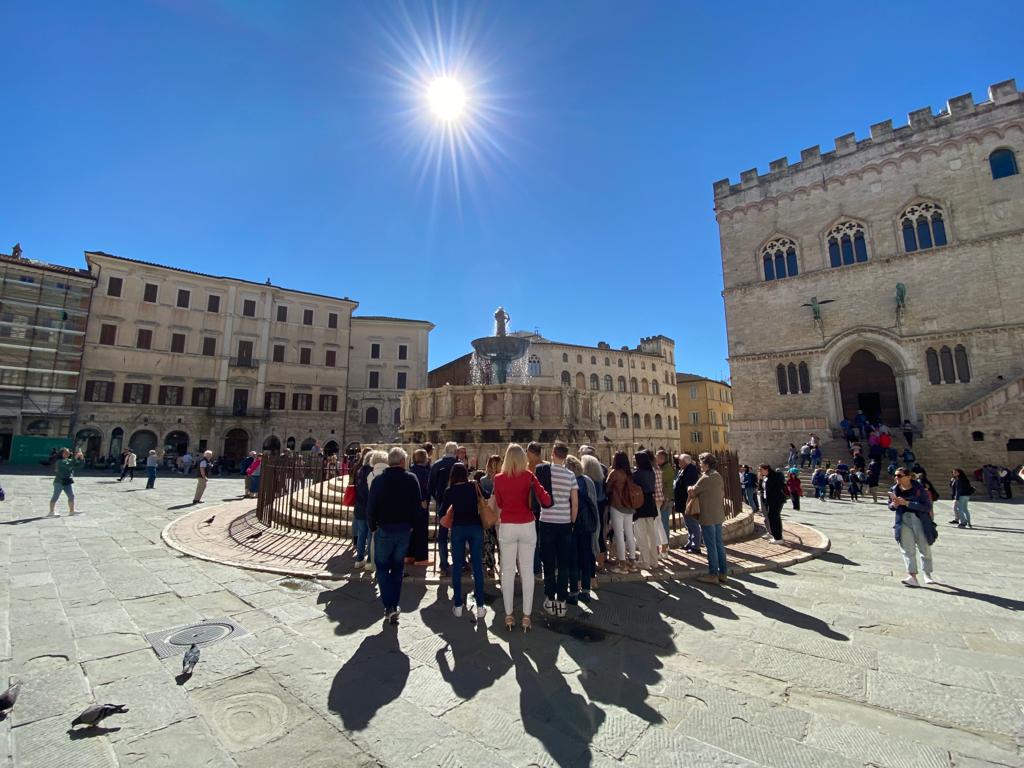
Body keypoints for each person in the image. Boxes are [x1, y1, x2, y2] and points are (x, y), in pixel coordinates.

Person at [493, 443, 551, 631]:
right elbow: (546, 500)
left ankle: (509, 616)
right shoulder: (529, 476)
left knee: (507, 571)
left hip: (508, 526)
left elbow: (500, 502)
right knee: (527, 571)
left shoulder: (499, 479)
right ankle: (527, 616)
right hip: (527, 525)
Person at [367, 447, 420, 624]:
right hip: (404, 531)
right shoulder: (411, 479)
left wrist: (372, 527)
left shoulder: (378, 481)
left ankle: (388, 605)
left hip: (384, 530)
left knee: (382, 567)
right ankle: (394, 604)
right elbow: (417, 506)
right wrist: (412, 526)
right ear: (403, 462)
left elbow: (371, 507)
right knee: (397, 567)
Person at [440, 463, 487, 620]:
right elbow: (486, 495)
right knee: (477, 568)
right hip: (475, 528)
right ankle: (480, 606)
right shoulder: (473, 487)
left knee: (458, 566)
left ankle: (458, 605)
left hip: (458, 529)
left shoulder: (450, 491)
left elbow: (441, 512)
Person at [538, 441, 578, 616]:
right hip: (564, 523)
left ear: (553, 453)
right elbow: (574, 503)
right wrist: (572, 522)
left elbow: (538, 495)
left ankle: (550, 599)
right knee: (563, 563)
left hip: (546, 521)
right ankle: (561, 602)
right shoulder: (570, 475)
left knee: (548, 562)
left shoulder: (544, 471)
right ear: (566, 455)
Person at [889, 468, 937, 587]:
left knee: (924, 547)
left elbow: (927, 507)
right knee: (907, 548)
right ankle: (912, 576)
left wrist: (908, 503)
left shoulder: (920, 489)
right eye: (895, 476)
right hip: (903, 520)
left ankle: (927, 573)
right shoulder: (894, 489)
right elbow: (889, 506)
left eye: (899, 476)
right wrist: (893, 505)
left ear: (908, 477)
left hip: (919, 520)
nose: (896, 478)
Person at [688, 453, 727, 584]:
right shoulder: (718, 476)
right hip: (718, 514)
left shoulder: (706, 478)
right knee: (719, 544)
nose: (699, 465)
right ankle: (723, 573)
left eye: (700, 462)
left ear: (706, 464)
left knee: (711, 546)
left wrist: (689, 487)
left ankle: (713, 574)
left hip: (707, 515)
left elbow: (693, 491)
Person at [565, 455, 598, 604]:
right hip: (587, 525)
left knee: (572, 559)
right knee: (585, 557)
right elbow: (594, 504)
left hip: (572, 524)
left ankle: (573, 592)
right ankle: (586, 591)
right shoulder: (587, 480)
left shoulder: (568, 482)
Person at [427, 442, 459, 577]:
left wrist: (438, 497)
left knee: (442, 534)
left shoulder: (436, 465)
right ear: (455, 452)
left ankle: (443, 564)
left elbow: (430, 485)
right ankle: (459, 563)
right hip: (458, 503)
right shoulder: (459, 465)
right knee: (458, 533)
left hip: (443, 503)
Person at [605, 451, 638, 572]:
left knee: (619, 534)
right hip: (629, 506)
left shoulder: (615, 473)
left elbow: (607, 488)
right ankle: (633, 562)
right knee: (629, 533)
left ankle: (622, 563)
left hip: (617, 505)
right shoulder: (629, 473)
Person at [632, 451, 661, 569]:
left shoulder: (636, 474)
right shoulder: (651, 472)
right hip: (650, 503)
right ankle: (654, 560)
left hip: (640, 504)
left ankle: (645, 561)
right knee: (651, 534)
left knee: (641, 535)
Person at [407, 449, 432, 565]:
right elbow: (427, 488)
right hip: (422, 504)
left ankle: (409, 555)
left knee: (411, 530)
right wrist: (424, 498)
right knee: (421, 531)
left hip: (410, 504)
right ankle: (421, 558)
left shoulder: (411, 470)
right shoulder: (425, 472)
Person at [478, 454, 502, 577]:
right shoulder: (504, 479)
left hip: (488, 513)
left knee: (489, 542)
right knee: (501, 542)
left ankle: (491, 567)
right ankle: (501, 564)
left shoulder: (483, 480)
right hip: (500, 514)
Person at [674, 454, 702, 554]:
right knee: (689, 524)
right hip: (683, 502)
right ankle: (690, 543)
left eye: (680, 461)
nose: (678, 463)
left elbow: (689, 487)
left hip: (688, 502)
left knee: (693, 524)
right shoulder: (684, 469)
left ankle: (696, 546)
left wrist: (689, 502)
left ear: (685, 461)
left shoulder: (690, 470)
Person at [353, 451, 375, 569]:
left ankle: (359, 559)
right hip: (369, 508)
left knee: (361, 534)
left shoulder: (360, 471)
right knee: (371, 534)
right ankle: (369, 562)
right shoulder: (372, 472)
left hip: (359, 506)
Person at [49, 447, 85, 517]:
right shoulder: (59, 461)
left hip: (67, 482)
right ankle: (51, 512)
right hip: (59, 482)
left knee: (71, 496)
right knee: (55, 496)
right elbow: (68, 465)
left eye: (68, 452)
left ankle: (72, 511)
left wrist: (81, 457)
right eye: (66, 452)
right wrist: (76, 457)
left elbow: (79, 465)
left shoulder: (69, 460)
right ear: (61, 453)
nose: (68, 454)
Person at [759, 463, 786, 543]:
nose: (760, 471)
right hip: (769, 501)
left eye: (761, 469)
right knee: (771, 518)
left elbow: (778, 487)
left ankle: (778, 538)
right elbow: (763, 488)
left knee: (775, 518)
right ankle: (775, 535)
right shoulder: (765, 477)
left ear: (766, 469)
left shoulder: (775, 476)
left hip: (775, 501)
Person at [656, 449, 675, 546]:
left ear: (662, 458)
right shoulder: (664, 467)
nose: (655, 459)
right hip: (666, 498)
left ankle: (665, 545)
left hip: (666, 499)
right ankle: (664, 544)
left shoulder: (666, 469)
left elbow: (660, 482)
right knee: (663, 522)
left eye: (657, 457)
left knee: (664, 523)